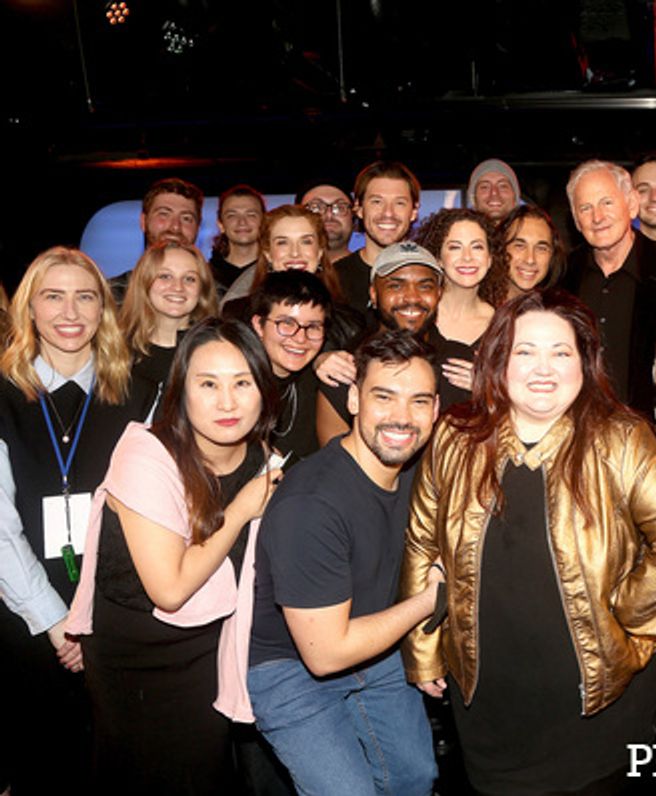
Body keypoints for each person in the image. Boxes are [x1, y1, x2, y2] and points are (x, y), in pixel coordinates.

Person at [401, 289, 656, 795]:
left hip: (597, 701)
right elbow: (422, 543)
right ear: (500, 360)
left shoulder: (619, 438)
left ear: (584, 362)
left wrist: (629, 614)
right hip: (488, 699)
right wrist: (422, 649)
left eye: (561, 352)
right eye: (525, 351)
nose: (542, 368)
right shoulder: (456, 436)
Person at [64, 318, 281, 793]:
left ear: (263, 390)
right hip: (136, 661)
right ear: (181, 391)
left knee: (204, 774)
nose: (227, 402)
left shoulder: (260, 458)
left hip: (209, 653)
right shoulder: (147, 454)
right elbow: (171, 588)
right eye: (208, 384)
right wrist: (242, 509)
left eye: (243, 382)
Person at [249, 330, 443, 796]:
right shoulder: (312, 502)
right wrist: (429, 603)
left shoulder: (419, 474)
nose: (402, 417)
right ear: (354, 399)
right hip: (292, 669)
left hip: (376, 650)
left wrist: (427, 651)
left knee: (417, 779)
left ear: (436, 411)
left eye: (419, 401)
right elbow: (325, 654)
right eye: (384, 397)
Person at [0, 247, 152, 793]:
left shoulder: (138, 393)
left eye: (85, 296)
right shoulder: (2, 396)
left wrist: (92, 618)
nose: (70, 311)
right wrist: (55, 620)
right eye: (53, 296)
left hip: (117, 614)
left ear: (102, 310)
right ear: (29, 310)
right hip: (23, 620)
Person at [563, 159, 656, 415]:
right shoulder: (562, 275)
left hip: (646, 431)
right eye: (585, 208)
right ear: (577, 221)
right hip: (576, 427)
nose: (597, 217)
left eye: (607, 202)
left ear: (632, 205)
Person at [313, 241, 445, 445]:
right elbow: (337, 466)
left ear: (439, 294)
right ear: (374, 294)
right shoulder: (345, 370)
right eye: (396, 285)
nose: (412, 297)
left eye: (425, 286)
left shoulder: (460, 366)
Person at [221, 204, 362, 352]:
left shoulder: (349, 324)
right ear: (268, 253)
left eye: (306, 241)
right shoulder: (236, 314)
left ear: (320, 251)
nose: (295, 253)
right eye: (282, 242)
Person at [414, 207, 508, 407]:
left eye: (477, 247)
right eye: (455, 247)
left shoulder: (503, 327)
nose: (467, 257)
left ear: (490, 258)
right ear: (438, 258)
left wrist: (489, 389)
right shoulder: (414, 314)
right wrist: (328, 359)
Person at [119, 240, 219, 402]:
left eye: (189, 279)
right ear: (144, 283)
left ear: (202, 290)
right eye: (165, 276)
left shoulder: (217, 353)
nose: (178, 287)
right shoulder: (115, 352)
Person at [250, 271, 332, 462]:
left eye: (312, 327)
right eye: (287, 323)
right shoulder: (234, 385)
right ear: (259, 325)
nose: (300, 338)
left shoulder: (318, 384)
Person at [336, 161, 422, 314]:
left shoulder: (429, 274)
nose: (388, 213)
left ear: (414, 211)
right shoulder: (335, 279)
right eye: (377, 202)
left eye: (399, 203)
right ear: (359, 208)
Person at [109, 178, 205, 304]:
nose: (175, 227)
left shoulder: (215, 297)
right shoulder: (111, 296)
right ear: (143, 221)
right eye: (164, 214)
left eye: (186, 218)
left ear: (198, 228)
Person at [498, 203, 565, 300]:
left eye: (541, 248)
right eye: (520, 246)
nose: (530, 259)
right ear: (501, 249)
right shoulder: (477, 309)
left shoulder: (558, 312)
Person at [210, 184, 267, 292]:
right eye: (232, 215)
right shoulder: (203, 277)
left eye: (251, 214)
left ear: (264, 222)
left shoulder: (275, 276)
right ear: (221, 224)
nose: (242, 222)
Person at [299, 181, 355, 264]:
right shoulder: (282, 274)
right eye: (315, 207)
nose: (329, 215)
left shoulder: (375, 274)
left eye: (340, 207)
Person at [466, 158, 521, 224]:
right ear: (473, 198)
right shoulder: (460, 233)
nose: (494, 192)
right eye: (485, 187)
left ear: (515, 197)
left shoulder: (532, 233)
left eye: (503, 186)